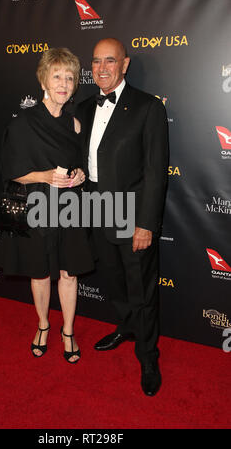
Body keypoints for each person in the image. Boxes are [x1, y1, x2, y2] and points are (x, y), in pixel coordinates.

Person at [76, 38, 169, 395]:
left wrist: (145, 223)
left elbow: (155, 172)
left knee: (141, 288)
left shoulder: (148, 108)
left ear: (125, 64)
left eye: (110, 60)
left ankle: (148, 354)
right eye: (96, 61)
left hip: (132, 215)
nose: (101, 68)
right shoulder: (83, 108)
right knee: (113, 281)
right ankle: (125, 327)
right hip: (95, 210)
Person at [0, 48, 94, 364]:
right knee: (39, 272)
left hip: (69, 207)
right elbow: (10, 172)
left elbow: (81, 168)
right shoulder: (23, 123)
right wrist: (45, 176)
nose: (63, 84)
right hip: (35, 205)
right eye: (57, 76)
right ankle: (42, 325)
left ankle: (67, 330)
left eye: (69, 78)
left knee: (68, 272)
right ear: (44, 81)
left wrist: (79, 176)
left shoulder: (76, 125)